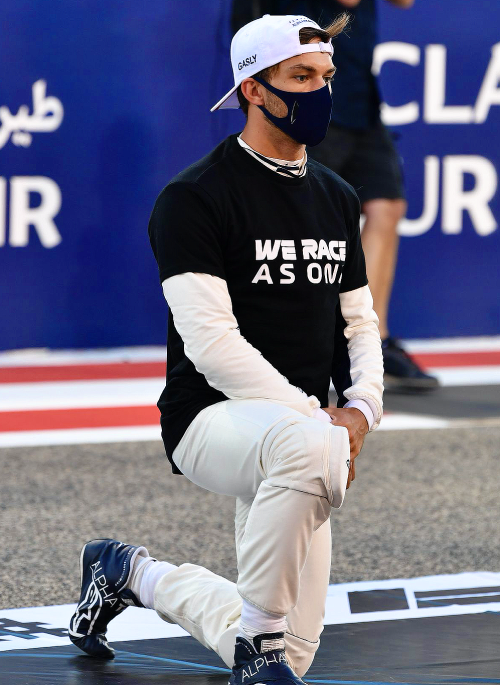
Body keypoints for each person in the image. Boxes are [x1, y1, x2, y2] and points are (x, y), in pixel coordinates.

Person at [68, 14, 383, 685]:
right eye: (301, 77)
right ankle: (256, 653)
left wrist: (359, 411)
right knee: (304, 448)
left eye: (325, 77)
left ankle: (129, 571)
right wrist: (313, 418)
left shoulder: (337, 195)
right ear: (253, 89)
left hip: (303, 431)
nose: (319, 91)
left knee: (294, 654)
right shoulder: (193, 197)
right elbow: (210, 344)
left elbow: (359, 322)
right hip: (208, 418)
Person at [232, 0, 438, 391]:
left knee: (386, 204)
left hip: (358, 96)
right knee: (299, 212)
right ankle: (292, 344)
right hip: (300, 95)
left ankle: (372, 344)